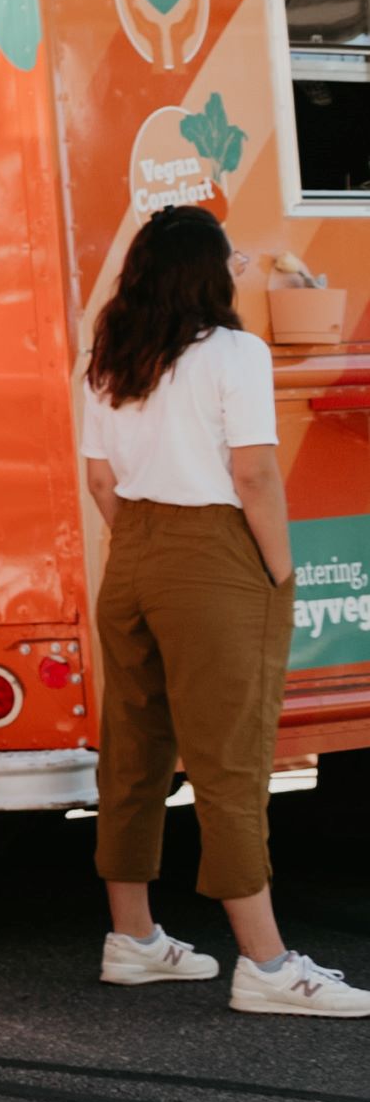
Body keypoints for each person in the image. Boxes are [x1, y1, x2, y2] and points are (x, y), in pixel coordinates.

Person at [83, 203, 369, 1017]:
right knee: (230, 760)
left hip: (131, 552)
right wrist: (279, 570)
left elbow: (101, 484)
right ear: (206, 273)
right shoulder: (233, 353)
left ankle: (131, 939)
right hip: (210, 558)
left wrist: (146, 543)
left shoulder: (108, 354)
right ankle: (266, 963)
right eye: (229, 254)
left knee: (133, 754)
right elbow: (254, 477)